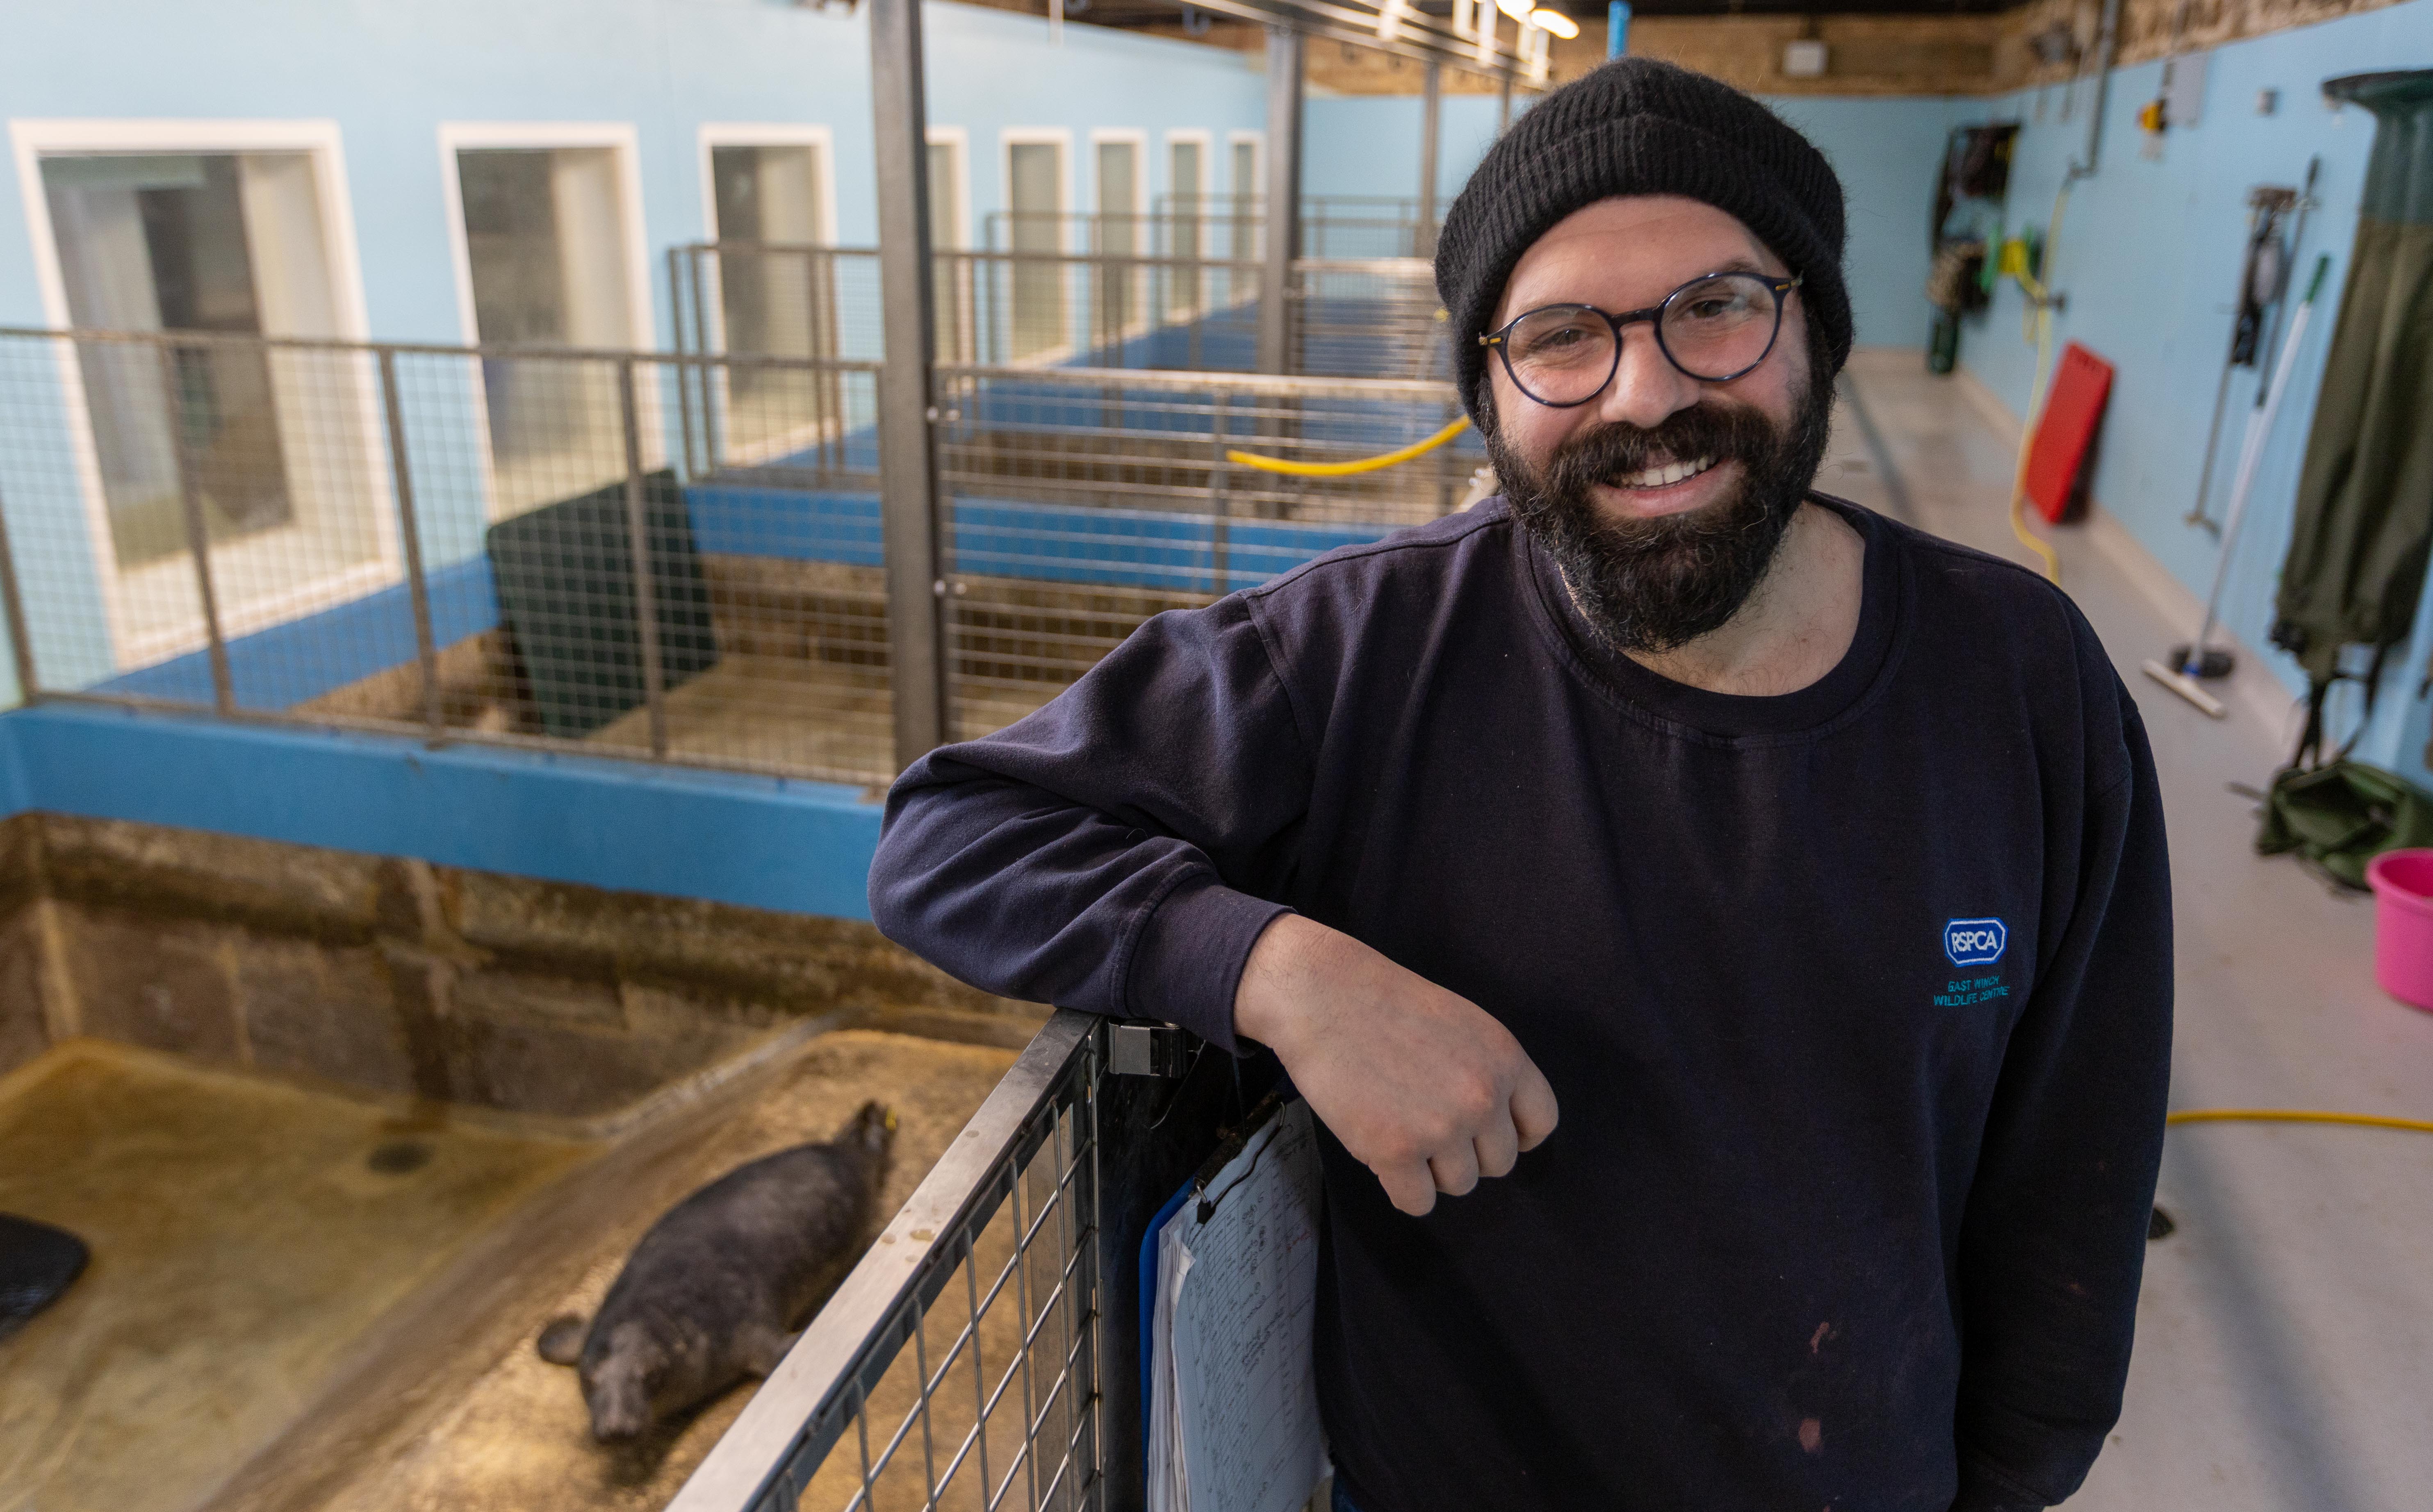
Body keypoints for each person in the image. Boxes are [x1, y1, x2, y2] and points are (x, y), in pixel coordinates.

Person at [870, 56, 2171, 1512]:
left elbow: (2082, 1144)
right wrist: (1279, 972)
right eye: (1562, 339)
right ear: (1489, 388)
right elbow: (952, 835)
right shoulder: (1362, 655)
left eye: (1717, 308)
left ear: (1813, 326)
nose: (1650, 393)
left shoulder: (2020, 678)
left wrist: (2014, 1474)